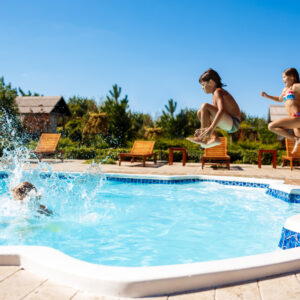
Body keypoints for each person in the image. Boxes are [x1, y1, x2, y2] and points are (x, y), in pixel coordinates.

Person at [187, 68, 241, 148]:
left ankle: (203, 139)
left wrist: (211, 128)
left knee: (205, 106)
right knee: (200, 112)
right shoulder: (214, 94)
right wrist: (204, 129)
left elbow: (221, 110)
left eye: (203, 84)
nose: (202, 88)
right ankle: (214, 138)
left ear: (211, 82)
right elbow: (212, 115)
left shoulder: (218, 91)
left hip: (234, 122)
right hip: (228, 122)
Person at [261, 67, 300, 153]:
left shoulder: (295, 87)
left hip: (297, 117)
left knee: (271, 126)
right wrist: (267, 96)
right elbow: (279, 99)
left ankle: (295, 139)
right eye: (282, 77)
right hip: (294, 121)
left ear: (292, 77)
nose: (283, 79)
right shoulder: (285, 90)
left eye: (284, 77)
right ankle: (296, 139)